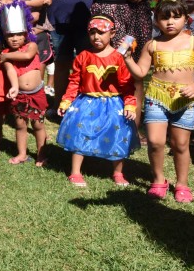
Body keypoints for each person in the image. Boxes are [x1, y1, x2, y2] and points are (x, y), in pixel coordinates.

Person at [123, 0, 194, 203]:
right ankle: (158, 180)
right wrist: (128, 58)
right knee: (156, 142)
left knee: (180, 144)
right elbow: (140, 73)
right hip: (157, 97)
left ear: (186, 18)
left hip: (186, 100)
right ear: (156, 21)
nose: (170, 22)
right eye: (164, 18)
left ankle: (182, 184)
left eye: (176, 17)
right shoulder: (153, 45)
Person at [56, 16, 139, 187]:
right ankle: (76, 171)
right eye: (92, 32)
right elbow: (74, 82)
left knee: (118, 133)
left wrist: (130, 103)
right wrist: (66, 101)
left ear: (112, 33)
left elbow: (127, 84)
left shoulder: (119, 57)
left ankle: (118, 172)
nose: (96, 37)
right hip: (87, 102)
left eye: (101, 32)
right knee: (81, 132)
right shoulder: (83, 56)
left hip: (113, 103)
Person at [0, 3, 48, 165]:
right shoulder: (5, 54)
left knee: (38, 124)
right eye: (10, 35)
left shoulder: (31, 46)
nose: (15, 38)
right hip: (19, 95)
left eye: (19, 34)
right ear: (4, 36)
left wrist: (8, 57)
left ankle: (42, 154)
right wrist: (14, 87)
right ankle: (22, 154)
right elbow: (10, 71)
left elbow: (26, 57)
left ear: (26, 33)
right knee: (20, 124)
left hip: (36, 93)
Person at [48, 0, 96, 107]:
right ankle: (58, 104)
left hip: (86, 25)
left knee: (86, 65)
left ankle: (85, 104)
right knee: (61, 65)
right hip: (59, 25)